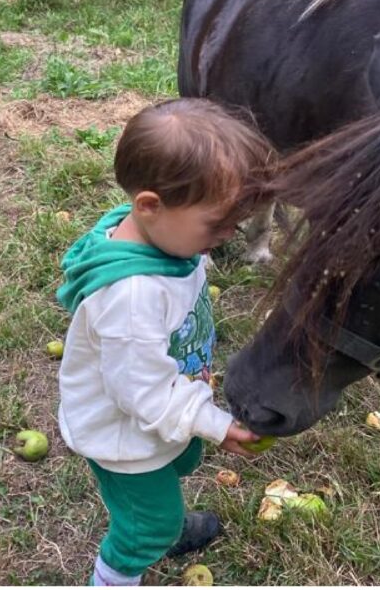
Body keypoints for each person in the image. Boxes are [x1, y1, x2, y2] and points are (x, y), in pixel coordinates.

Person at [55, 97, 276, 586]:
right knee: (143, 528)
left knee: (180, 460)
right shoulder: (132, 297)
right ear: (150, 206)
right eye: (216, 224)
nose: (224, 237)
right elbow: (142, 393)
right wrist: (216, 424)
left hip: (161, 411)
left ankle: (167, 522)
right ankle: (138, 551)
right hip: (125, 433)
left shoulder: (167, 237)